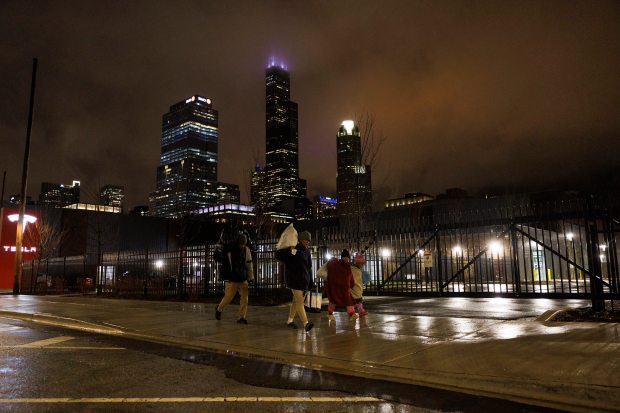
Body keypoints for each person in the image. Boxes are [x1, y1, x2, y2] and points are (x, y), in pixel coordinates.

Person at [275, 230, 315, 332]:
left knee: (295, 302)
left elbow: (309, 267)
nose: (308, 242)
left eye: (309, 240)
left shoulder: (306, 251)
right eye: (306, 240)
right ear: (301, 240)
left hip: (304, 280)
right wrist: (290, 250)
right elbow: (278, 255)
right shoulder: (292, 248)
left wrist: (310, 282)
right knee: (300, 302)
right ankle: (306, 323)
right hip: (294, 280)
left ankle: (290, 320)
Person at [214, 233, 254, 324]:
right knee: (228, 297)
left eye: (244, 244)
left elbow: (249, 263)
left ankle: (241, 317)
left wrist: (250, 277)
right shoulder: (229, 249)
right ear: (237, 243)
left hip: (242, 277)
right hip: (232, 278)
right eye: (241, 244)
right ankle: (219, 309)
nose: (242, 246)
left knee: (245, 298)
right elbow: (219, 259)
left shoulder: (246, 250)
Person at [323, 249, 358, 321]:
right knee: (334, 300)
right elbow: (333, 274)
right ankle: (330, 314)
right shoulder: (337, 265)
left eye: (347, 258)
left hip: (343, 288)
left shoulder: (347, 266)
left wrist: (351, 283)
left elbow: (350, 276)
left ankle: (352, 314)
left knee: (348, 300)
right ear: (342, 257)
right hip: (337, 287)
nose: (346, 259)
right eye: (345, 257)